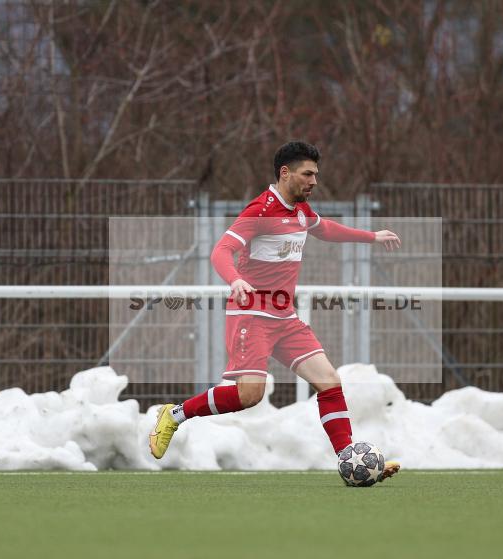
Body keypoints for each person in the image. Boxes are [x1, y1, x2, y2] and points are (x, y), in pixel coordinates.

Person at [149, 141, 401, 483]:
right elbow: (221, 251)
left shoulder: (300, 211)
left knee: (329, 381)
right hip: (250, 316)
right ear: (286, 173)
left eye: (316, 175)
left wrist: (371, 236)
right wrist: (236, 280)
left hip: (285, 318)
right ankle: (175, 414)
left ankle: (350, 459)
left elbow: (325, 228)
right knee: (249, 396)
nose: (314, 181)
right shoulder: (260, 211)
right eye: (307, 174)